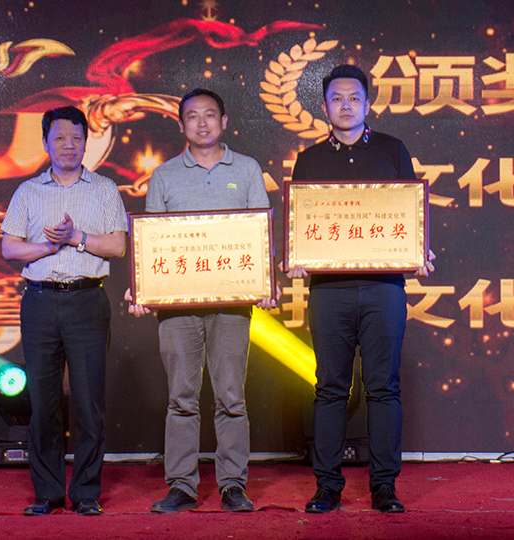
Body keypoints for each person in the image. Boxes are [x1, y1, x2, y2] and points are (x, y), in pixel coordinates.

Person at [286, 65, 435, 514]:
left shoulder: (393, 150)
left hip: (383, 288)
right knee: (330, 387)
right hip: (328, 291)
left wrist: (419, 250)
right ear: (324, 106)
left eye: (354, 98)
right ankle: (327, 485)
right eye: (337, 98)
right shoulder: (309, 159)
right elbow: (301, 224)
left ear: (368, 104)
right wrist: (294, 255)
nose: (346, 105)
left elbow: (409, 214)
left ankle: (384, 486)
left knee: (383, 387)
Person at [126, 88, 278, 513]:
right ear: (181, 125)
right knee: (181, 396)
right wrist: (142, 286)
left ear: (224, 122)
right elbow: (152, 241)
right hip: (177, 307)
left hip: (232, 304)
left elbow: (260, 232)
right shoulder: (164, 175)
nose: (202, 123)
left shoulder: (246, 169)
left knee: (231, 395)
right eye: (193, 116)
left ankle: (233, 484)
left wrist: (266, 282)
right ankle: (182, 485)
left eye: (210, 115)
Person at [1, 106, 127, 516]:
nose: (68, 145)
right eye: (59, 138)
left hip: (87, 301)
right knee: (44, 403)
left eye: (75, 138)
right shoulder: (28, 191)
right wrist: (47, 247)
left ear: (86, 143)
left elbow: (117, 246)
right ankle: (48, 493)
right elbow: (9, 247)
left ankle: (86, 493)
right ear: (45, 143)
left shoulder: (104, 189)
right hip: (39, 301)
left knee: (89, 403)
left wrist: (76, 237)